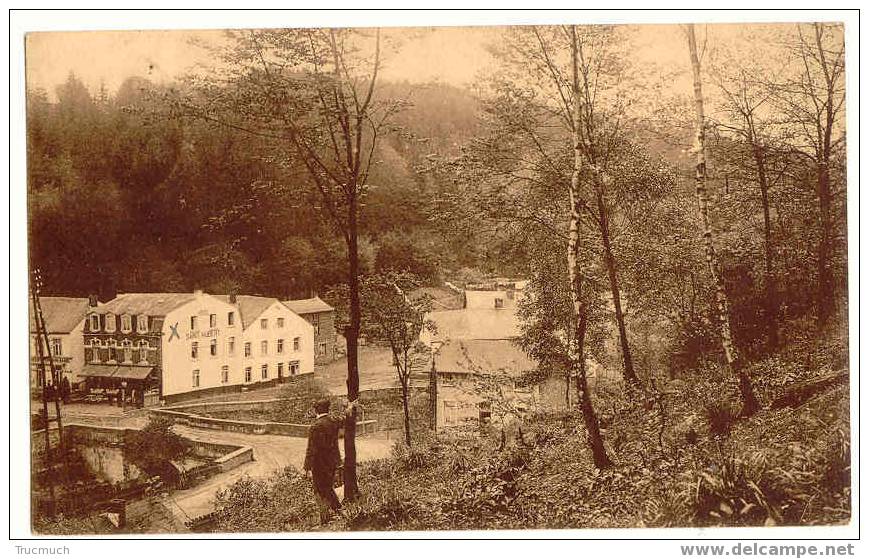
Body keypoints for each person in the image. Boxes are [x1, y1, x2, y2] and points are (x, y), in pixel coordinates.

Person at [303, 397, 357, 523]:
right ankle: (332, 513)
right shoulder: (333, 421)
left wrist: (307, 467)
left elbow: (311, 449)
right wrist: (348, 408)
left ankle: (332, 513)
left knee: (320, 489)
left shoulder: (315, 426)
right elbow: (345, 418)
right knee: (327, 486)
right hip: (333, 462)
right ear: (327, 409)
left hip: (319, 464)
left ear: (316, 411)